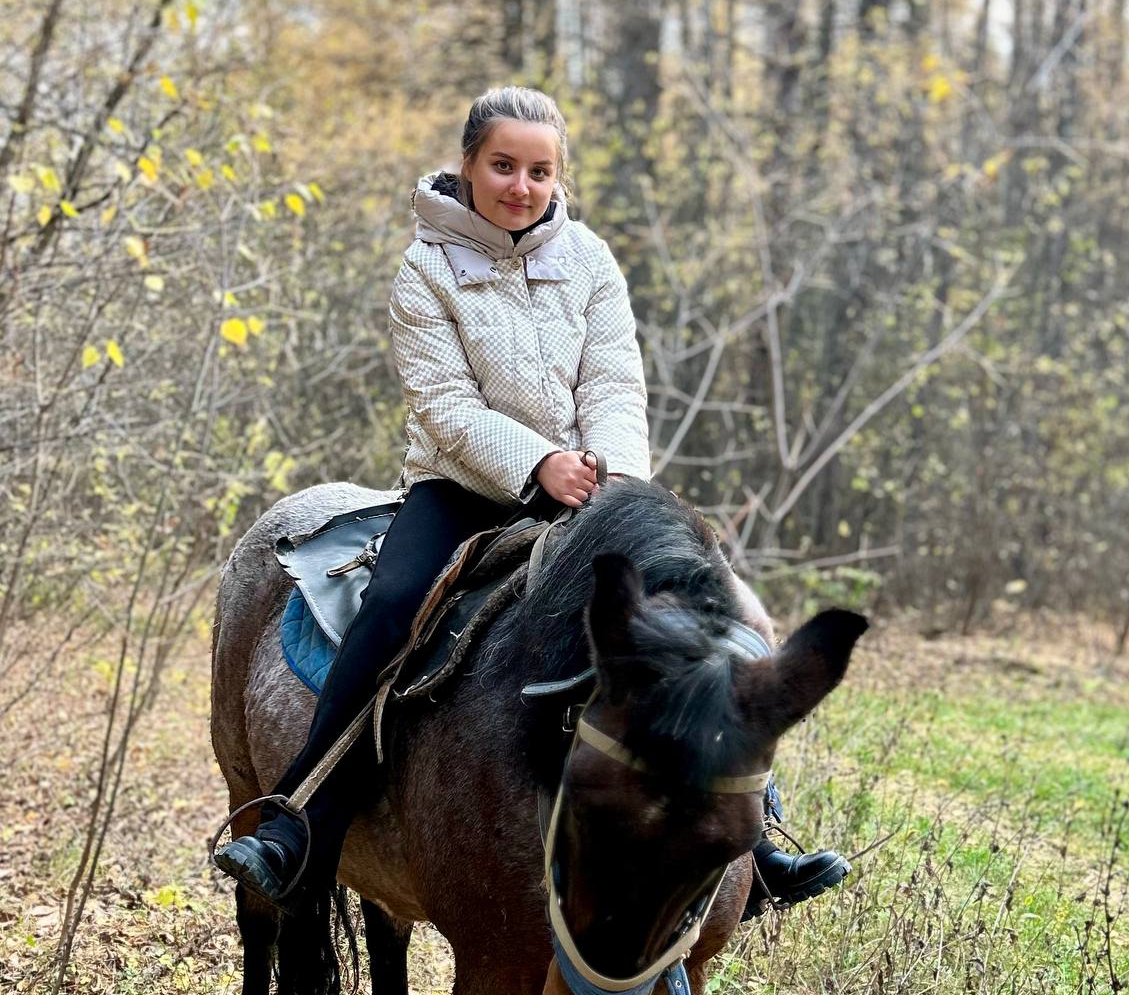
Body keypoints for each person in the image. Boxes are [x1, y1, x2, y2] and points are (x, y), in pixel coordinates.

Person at [214, 85, 848, 921]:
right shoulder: (425, 267)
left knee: (722, 608)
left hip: (595, 491)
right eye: (503, 165)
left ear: (559, 176)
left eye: (539, 170)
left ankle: (756, 835)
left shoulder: (589, 260)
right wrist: (538, 463)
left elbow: (617, 381)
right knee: (393, 608)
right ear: (469, 165)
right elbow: (445, 402)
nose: (521, 185)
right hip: (463, 488)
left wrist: (612, 481)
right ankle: (301, 817)